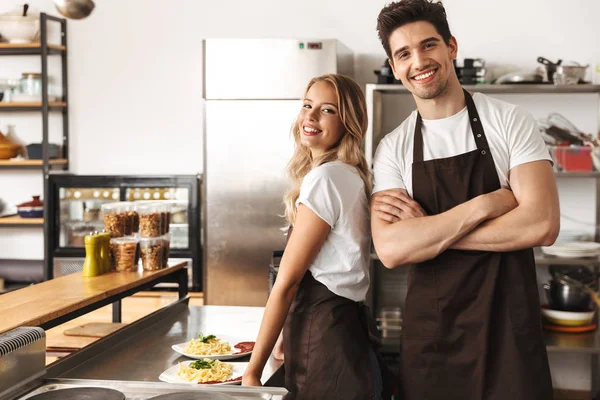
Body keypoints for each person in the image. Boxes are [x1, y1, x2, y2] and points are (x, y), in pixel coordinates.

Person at [371, 1, 560, 399]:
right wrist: (487, 204)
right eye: (404, 53)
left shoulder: (509, 120)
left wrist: (427, 235)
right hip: (432, 340)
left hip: (508, 330)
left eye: (429, 45)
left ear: (451, 47)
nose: (419, 61)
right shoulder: (393, 148)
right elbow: (390, 249)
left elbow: (542, 224)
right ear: (393, 64)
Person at [242, 74, 387, 399]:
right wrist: (285, 331)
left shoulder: (326, 179)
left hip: (326, 347)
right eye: (307, 105)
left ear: (348, 122)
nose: (310, 116)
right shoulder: (350, 175)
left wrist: (252, 371)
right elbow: (331, 267)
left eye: (327, 110)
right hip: (342, 335)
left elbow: (288, 282)